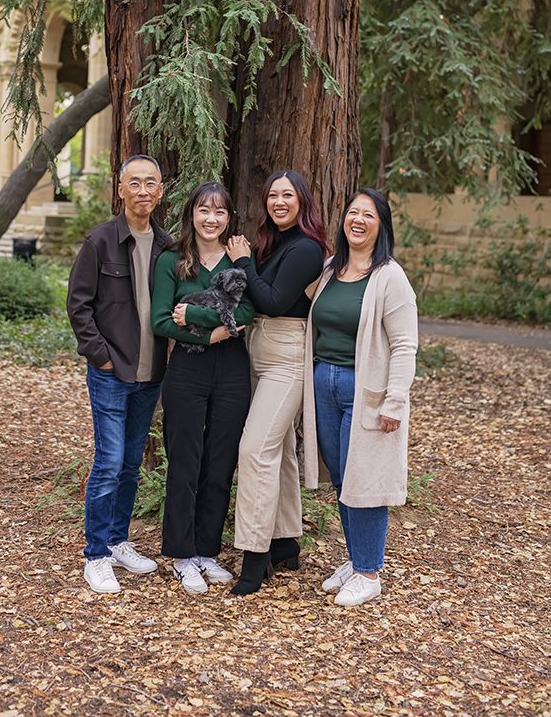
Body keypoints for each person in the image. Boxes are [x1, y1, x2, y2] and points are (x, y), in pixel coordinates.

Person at [303, 189, 418, 606]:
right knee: (341, 475)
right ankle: (355, 561)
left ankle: (369, 572)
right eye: (353, 212)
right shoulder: (332, 269)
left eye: (368, 215)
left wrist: (395, 401)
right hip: (323, 383)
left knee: (364, 479)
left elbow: (405, 345)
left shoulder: (390, 277)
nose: (358, 220)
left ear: (381, 225)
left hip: (365, 391)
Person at [67, 154, 171, 594]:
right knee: (109, 463)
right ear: (121, 189)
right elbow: (78, 305)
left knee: (130, 464)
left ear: (160, 192)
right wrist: (101, 356)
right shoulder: (101, 242)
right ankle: (95, 555)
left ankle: (117, 541)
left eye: (151, 183)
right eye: (135, 182)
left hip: (152, 374)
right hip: (112, 372)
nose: (143, 190)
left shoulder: (168, 247)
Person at [225, 170, 326, 595]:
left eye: (287, 195)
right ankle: (285, 542)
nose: (278, 201)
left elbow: (271, 299)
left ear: (302, 200)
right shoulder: (271, 243)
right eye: (272, 194)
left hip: (286, 355)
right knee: (279, 449)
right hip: (257, 347)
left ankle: (254, 556)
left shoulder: (307, 249)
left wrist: (243, 263)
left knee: (254, 449)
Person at [151, 182, 255, 594]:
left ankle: (206, 551)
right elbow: (160, 321)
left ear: (229, 219)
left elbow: (248, 310)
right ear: (191, 214)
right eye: (204, 211)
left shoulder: (238, 260)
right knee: (185, 461)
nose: (211, 219)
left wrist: (193, 314)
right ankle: (180, 555)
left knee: (220, 461)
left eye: (220, 212)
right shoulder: (172, 261)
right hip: (187, 373)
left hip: (231, 372)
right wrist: (210, 335)